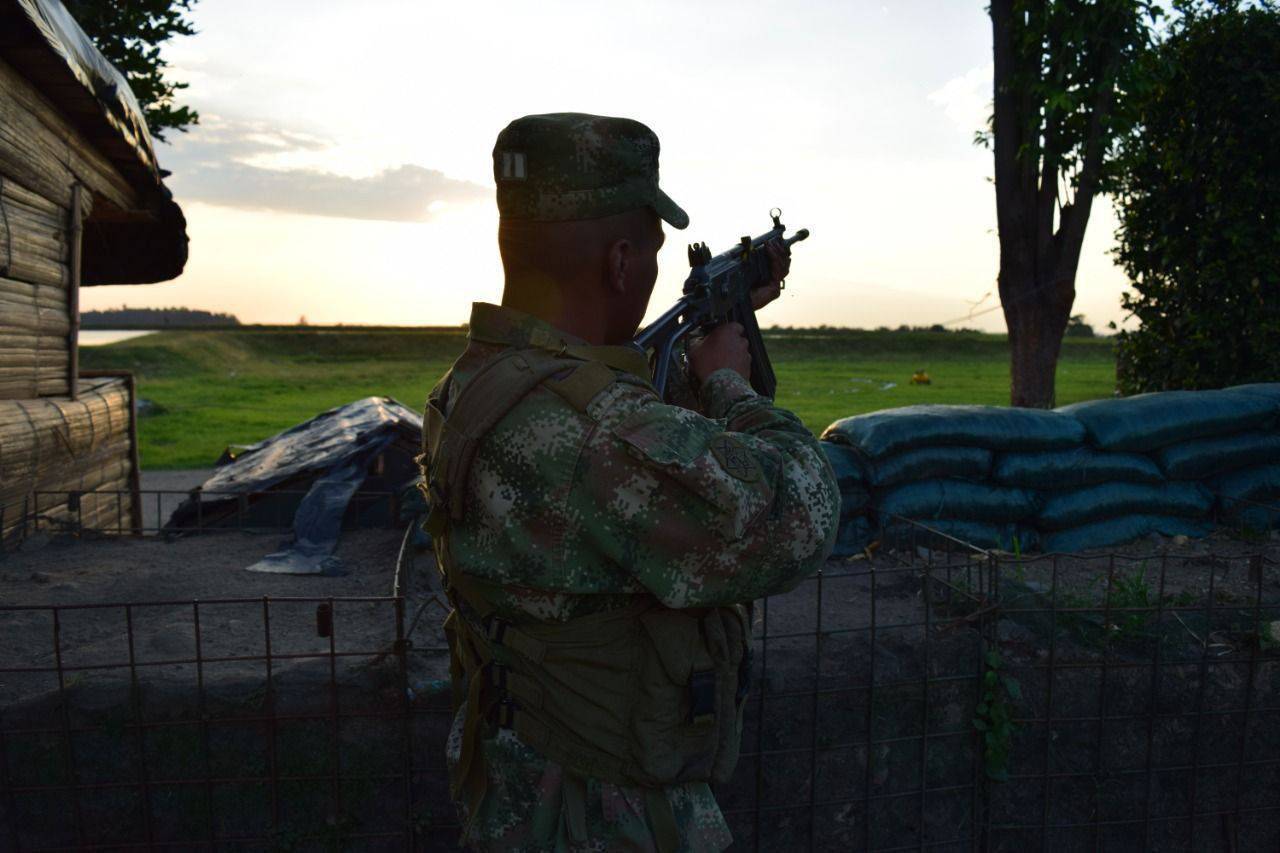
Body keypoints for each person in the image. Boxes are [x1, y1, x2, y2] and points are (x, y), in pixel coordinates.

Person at [419, 112, 840, 852]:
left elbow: (613, 446)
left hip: (513, 782)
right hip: (606, 813)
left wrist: (712, 330)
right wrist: (732, 388)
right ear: (620, 263)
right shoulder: (603, 436)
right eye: (649, 252)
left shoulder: (474, 385)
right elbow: (796, 514)